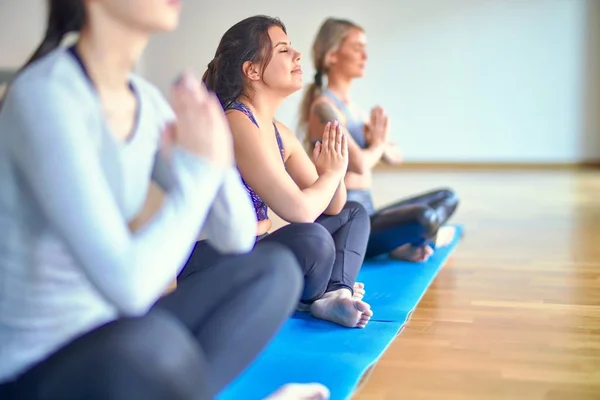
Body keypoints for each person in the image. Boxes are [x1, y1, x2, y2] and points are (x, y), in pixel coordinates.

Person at [0, 1, 329, 399]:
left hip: (115, 336)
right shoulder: (46, 96)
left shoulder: (148, 100)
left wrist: (214, 154)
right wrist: (197, 176)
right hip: (34, 367)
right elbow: (129, 287)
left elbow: (237, 236)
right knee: (150, 344)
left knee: (274, 271)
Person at [193, 15, 373, 329]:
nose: (297, 55)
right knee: (313, 238)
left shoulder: (280, 132)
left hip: (256, 254)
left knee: (355, 213)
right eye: (283, 50)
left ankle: (333, 293)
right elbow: (299, 211)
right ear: (252, 70)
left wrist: (334, 168)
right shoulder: (236, 120)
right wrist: (331, 176)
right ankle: (315, 296)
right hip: (213, 264)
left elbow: (334, 205)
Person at [300, 17, 460, 263]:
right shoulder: (324, 109)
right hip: (348, 226)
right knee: (424, 218)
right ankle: (414, 239)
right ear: (332, 56)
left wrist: (380, 144)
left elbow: (396, 157)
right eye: (357, 48)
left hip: (370, 214)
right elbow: (360, 164)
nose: (365, 56)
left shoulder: (354, 110)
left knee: (448, 196)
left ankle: (401, 242)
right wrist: (377, 145)